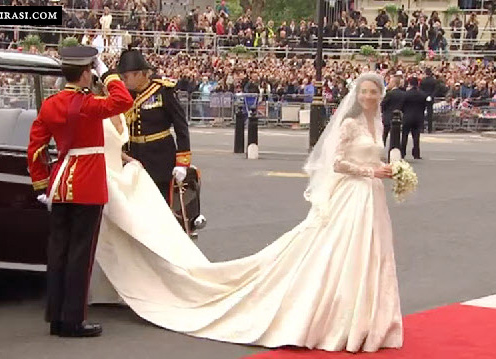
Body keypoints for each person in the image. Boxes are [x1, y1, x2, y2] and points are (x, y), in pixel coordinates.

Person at [89, 72, 403, 352]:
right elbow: (336, 163)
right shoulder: (349, 123)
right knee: (342, 251)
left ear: (381, 95)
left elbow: (369, 158)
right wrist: (369, 172)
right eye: (363, 92)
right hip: (352, 193)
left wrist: (388, 170)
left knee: (371, 252)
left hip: (370, 196)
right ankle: (341, 315)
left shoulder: (378, 123)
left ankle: (367, 316)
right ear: (356, 94)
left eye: (373, 92)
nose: (367, 97)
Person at [26, 45, 133, 338]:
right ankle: (73, 319)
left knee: (58, 252)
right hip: (87, 185)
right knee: (79, 255)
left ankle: (56, 317)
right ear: (86, 73)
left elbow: (35, 149)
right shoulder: (89, 105)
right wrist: (106, 71)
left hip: (59, 185)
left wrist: (40, 183)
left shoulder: (50, 104)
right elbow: (123, 100)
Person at [116, 49, 191, 204]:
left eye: (126, 77)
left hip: (159, 157)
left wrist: (182, 163)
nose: (124, 81)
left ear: (140, 74)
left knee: (159, 204)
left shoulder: (163, 91)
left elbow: (181, 126)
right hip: (133, 155)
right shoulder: (128, 94)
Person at [401, 77, 427, 159]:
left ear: (410, 84)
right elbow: (424, 105)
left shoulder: (406, 94)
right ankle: (416, 153)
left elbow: (402, 105)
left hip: (407, 116)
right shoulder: (422, 95)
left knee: (404, 135)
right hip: (418, 117)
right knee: (416, 136)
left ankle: (403, 152)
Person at [381, 76, 406, 146]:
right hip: (398, 117)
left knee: (384, 135)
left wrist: (383, 111)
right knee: (395, 136)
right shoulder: (403, 94)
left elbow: (383, 104)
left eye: (390, 82)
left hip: (388, 116)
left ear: (393, 83)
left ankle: (382, 149)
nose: (388, 83)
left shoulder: (389, 94)